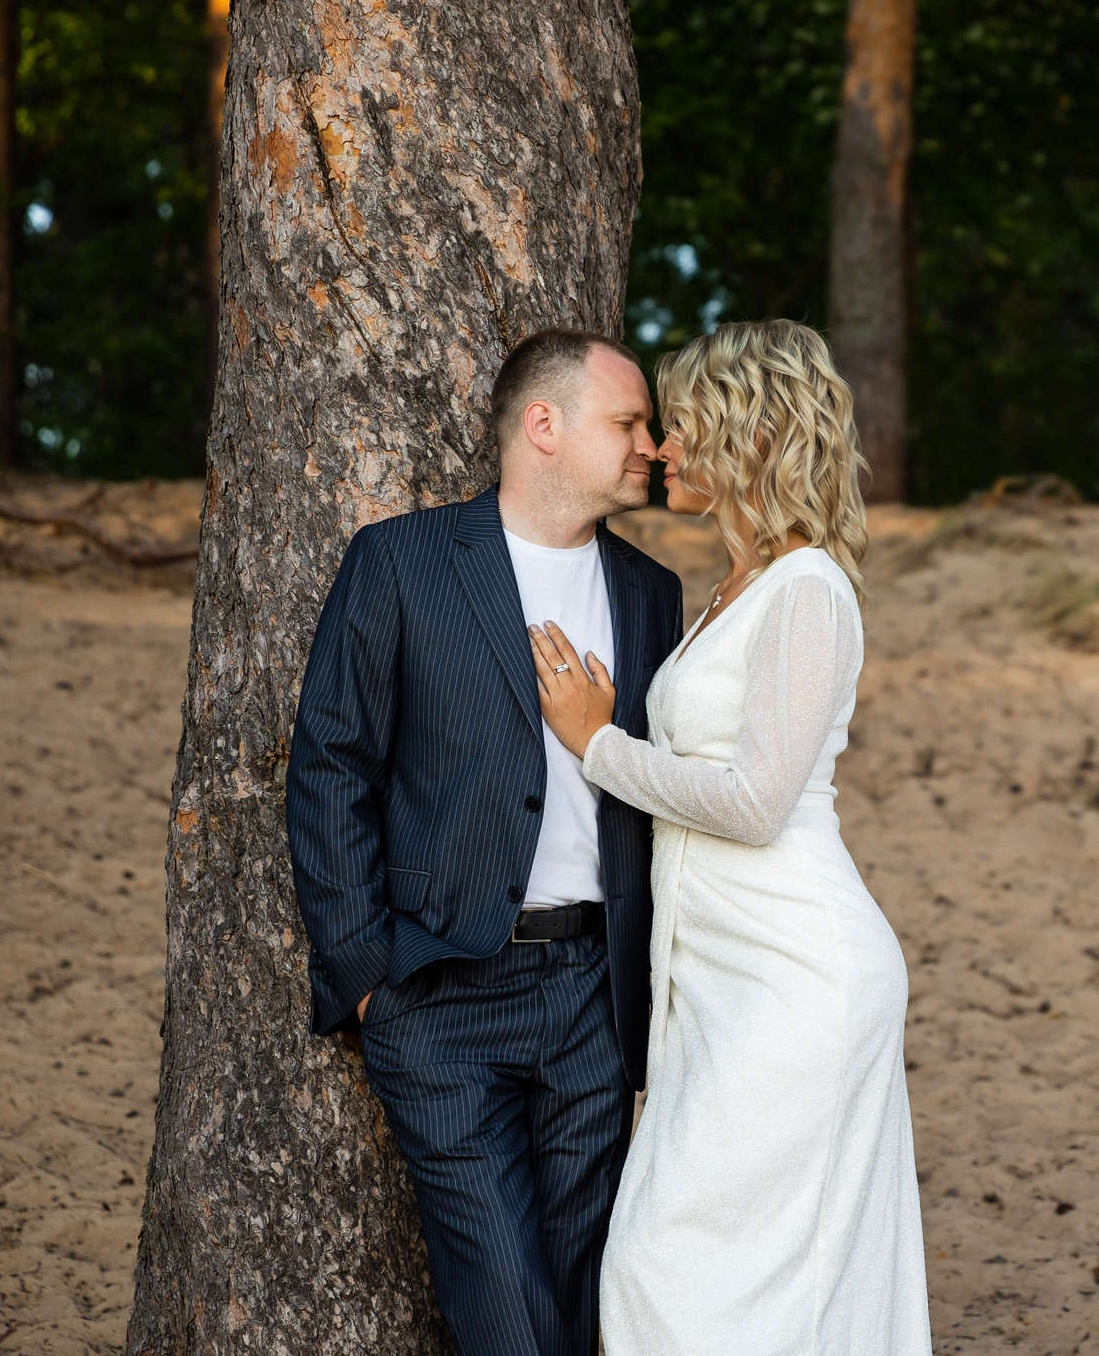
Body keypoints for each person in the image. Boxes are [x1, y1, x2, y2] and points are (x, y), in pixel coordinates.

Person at [526, 319, 930, 1355]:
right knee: (706, 1271)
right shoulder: (730, 593)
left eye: (683, 425)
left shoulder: (808, 591)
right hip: (719, 982)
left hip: (798, 977)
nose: (657, 449)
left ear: (750, 434)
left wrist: (596, 745)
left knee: (681, 1269)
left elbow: (753, 803)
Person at [284, 330, 684, 1356]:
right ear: (543, 426)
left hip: (596, 997)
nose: (653, 444)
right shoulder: (402, 562)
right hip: (441, 993)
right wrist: (367, 972)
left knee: (586, 1294)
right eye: (629, 422)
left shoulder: (648, 592)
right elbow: (332, 765)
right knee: (502, 1304)